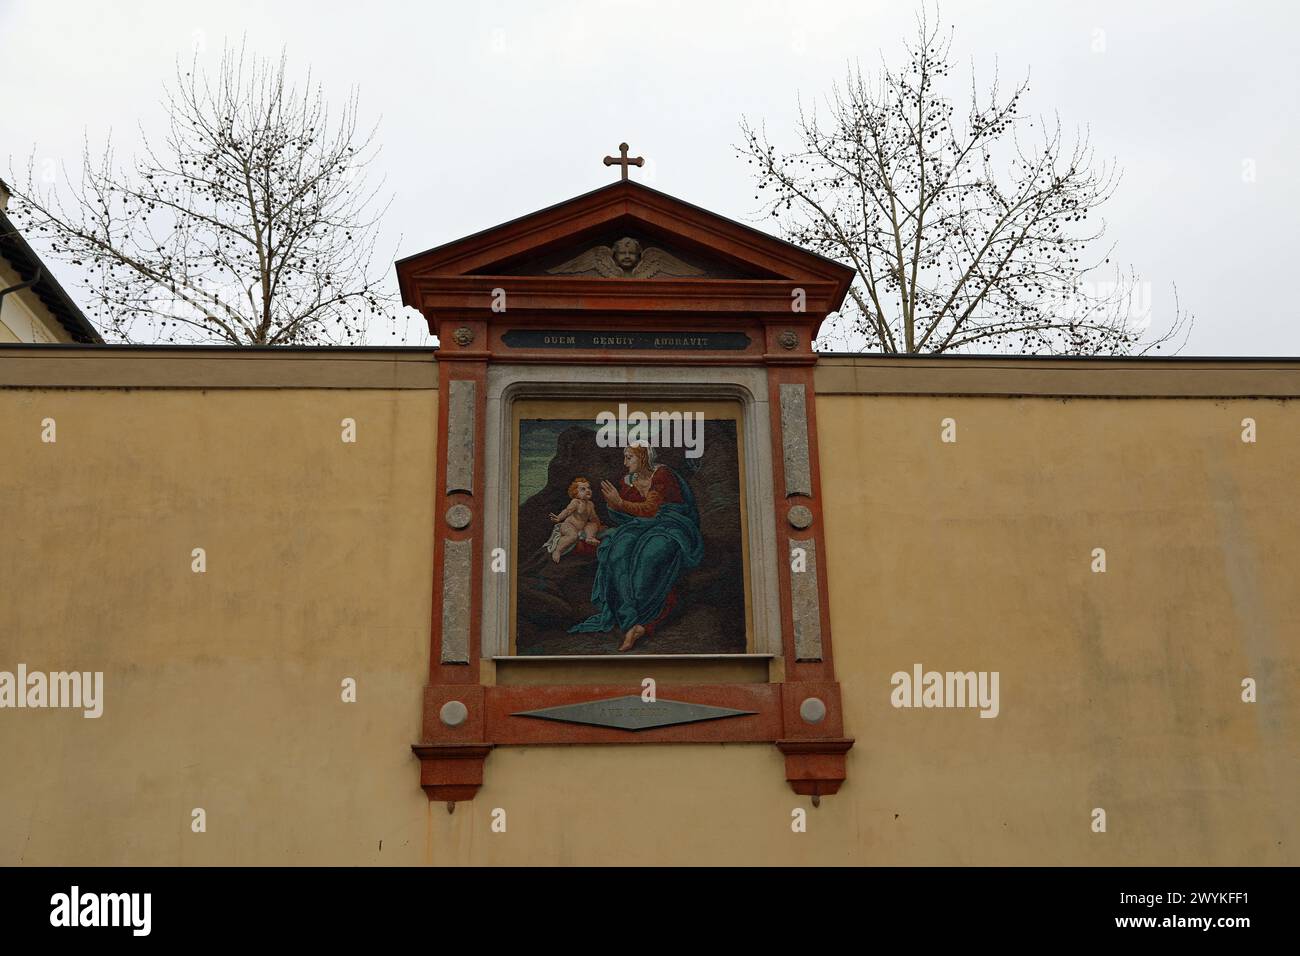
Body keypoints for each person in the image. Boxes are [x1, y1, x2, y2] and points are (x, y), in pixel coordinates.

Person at [569, 444, 703, 651]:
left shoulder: (662, 475)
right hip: (640, 527)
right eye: (624, 457)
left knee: (649, 558)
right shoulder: (627, 482)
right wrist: (615, 505)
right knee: (618, 552)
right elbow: (625, 515)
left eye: (629, 457)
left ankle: (645, 621)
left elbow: (651, 509)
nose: (625, 463)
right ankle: (629, 616)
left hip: (670, 526)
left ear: (642, 457)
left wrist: (619, 503)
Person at [544, 477, 602, 563]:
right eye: (583, 489)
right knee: (573, 536)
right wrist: (559, 517)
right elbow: (567, 511)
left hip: (581, 527)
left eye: (589, 488)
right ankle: (558, 550)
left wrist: (598, 525)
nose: (587, 490)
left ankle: (590, 537)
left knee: (592, 524)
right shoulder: (576, 502)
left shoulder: (590, 504)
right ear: (576, 493)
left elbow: (593, 517)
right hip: (569, 525)